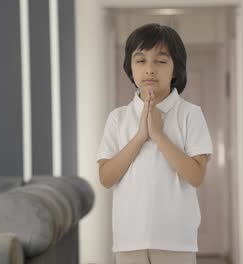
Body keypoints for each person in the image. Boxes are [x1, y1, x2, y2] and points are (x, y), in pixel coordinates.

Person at [96, 23, 213, 264]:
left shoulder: (191, 114)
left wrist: (158, 135)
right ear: (130, 66)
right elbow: (106, 178)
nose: (149, 69)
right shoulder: (118, 118)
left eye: (160, 61)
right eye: (141, 61)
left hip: (176, 241)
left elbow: (196, 176)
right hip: (129, 240)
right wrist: (140, 137)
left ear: (175, 69)